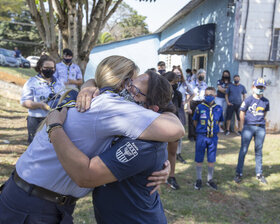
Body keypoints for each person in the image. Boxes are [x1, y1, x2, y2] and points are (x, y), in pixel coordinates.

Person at [0, 56, 184, 223]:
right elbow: (175, 128)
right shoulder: (111, 106)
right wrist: (55, 127)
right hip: (33, 205)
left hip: (35, 199)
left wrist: (157, 163)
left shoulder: (103, 102)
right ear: (120, 82)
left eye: (133, 87)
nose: (128, 89)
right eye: (129, 83)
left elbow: (174, 130)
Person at [47, 70, 175, 223]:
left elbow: (86, 176)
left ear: (152, 108)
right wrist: (88, 86)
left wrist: (54, 127)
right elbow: (99, 83)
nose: (125, 91)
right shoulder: (124, 120)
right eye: (129, 84)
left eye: (135, 91)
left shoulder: (145, 144)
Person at [20, 55, 65, 143]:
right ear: (40, 67)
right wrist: (40, 105)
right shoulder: (32, 82)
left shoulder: (59, 83)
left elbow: (64, 98)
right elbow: (24, 102)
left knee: (53, 146)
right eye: (46, 67)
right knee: (35, 146)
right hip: (36, 120)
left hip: (55, 120)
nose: (49, 70)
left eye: (52, 68)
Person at [234, 78, 269, 184]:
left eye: (262, 87)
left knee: (258, 151)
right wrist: (241, 126)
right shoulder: (248, 100)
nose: (260, 89)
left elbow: (264, 114)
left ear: (264, 88)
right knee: (243, 150)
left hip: (260, 128)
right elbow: (242, 113)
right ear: (253, 87)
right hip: (248, 128)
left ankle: (259, 173)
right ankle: (238, 174)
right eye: (258, 87)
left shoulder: (266, 101)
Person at [193, 87, 224, 190]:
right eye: (206, 95)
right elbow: (195, 121)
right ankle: (198, 179)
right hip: (202, 136)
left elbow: (218, 121)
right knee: (199, 158)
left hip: (213, 138)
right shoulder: (199, 107)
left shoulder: (219, 108)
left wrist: (214, 130)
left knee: (211, 158)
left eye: (211, 95)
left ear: (215, 96)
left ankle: (210, 180)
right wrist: (201, 130)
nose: (208, 96)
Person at [162, 71, 183, 190]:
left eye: (176, 82)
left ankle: (172, 176)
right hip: (161, 125)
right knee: (160, 151)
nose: (175, 84)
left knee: (172, 152)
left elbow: (177, 108)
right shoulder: (158, 94)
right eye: (173, 82)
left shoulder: (178, 94)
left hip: (174, 124)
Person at [172, 66, 195, 164]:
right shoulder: (169, 82)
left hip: (179, 109)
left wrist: (186, 102)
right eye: (175, 72)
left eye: (179, 72)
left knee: (179, 133)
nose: (177, 74)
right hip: (169, 109)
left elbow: (192, 93)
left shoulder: (184, 84)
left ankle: (178, 153)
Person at [188, 69, 208, 141]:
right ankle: (191, 135)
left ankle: (198, 135)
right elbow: (188, 95)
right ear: (197, 75)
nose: (202, 76)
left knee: (201, 119)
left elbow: (206, 95)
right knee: (192, 119)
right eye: (200, 74)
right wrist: (188, 107)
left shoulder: (205, 85)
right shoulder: (191, 84)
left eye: (203, 75)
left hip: (202, 103)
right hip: (193, 102)